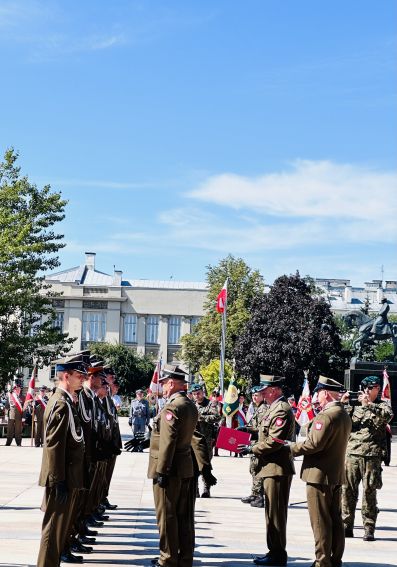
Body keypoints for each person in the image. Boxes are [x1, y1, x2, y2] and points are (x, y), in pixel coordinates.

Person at [290, 376, 352, 567]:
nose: (316, 397)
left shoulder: (326, 416)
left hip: (319, 475)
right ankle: (335, 558)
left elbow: (314, 444)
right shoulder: (343, 414)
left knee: (320, 522)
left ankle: (322, 561)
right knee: (335, 520)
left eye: (318, 393)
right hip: (334, 474)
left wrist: (291, 448)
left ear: (325, 393)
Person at [238, 375, 295, 567]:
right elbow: (265, 432)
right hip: (270, 467)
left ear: (274, 390)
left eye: (265, 389)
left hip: (277, 468)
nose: (261, 393)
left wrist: (251, 448)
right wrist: (248, 431)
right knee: (271, 513)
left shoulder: (282, 409)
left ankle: (278, 555)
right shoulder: (273, 408)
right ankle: (274, 551)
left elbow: (275, 441)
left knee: (276, 513)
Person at [36, 354, 87, 567]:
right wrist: (58, 480)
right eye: (79, 375)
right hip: (61, 477)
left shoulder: (67, 401)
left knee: (58, 532)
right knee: (53, 530)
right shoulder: (60, 403)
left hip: (67, 474)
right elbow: (54, 445)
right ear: (66, 376)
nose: (83, 379)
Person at [148, 364, 199, 567]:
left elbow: (168, 441)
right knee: (184, 518)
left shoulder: (172, 406)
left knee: (167, 517)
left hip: (170, 469)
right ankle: (185, 558)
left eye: (163, 383)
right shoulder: (189, 404)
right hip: (184, 466)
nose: (161, 387)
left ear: (171, 383)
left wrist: (162, 470)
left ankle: (167, 559)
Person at [341, 375, 394, 541]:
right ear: (365, 389)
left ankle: (369, 528)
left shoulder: (381, 405)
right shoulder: (353, 407)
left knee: (369, 493)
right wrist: (343, 403)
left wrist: (369, 405)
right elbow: (340, 420)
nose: (377, 390)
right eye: (373, 387)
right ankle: (346, 526)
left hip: (372, 457)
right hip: (352, 455)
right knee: (347, 492)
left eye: (378, 387)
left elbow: (387, 416)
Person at [189, 383, 221, 497]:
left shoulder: (210, 404)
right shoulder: (191, 405)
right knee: (193, 466)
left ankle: (206, 489)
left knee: (205, 465)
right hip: (192, 441)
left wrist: (202, 418)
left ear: (203, 392)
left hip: (206, 440)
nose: (196, 396)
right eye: (194, 394)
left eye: (198, 393)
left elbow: (217, 417)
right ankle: (195, 489)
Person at [240, 384, 268, 508]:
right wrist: (245, 429)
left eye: (257, 395)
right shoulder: (258, 408)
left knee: (257, 469)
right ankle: (255, 493)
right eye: (253, 395)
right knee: (253, 469)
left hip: (259, 444)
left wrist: (247, 430)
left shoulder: (263, 409)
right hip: (255, 443)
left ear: (263, 396)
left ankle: (258, 496)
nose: (254, 397)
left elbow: (260, 429)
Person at [6, 378, 24, 446]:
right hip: (11, 415)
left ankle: (18, 443)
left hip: (19, 415)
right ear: (14, 389)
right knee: (10, 429)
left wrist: (24, 417)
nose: (18, 390)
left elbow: (24, 408)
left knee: (18, 430)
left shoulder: (22, 397)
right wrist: (5, 415)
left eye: (19, 389)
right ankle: (8, 443)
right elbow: (7, 406)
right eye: (16, 389)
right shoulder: (11, 396)